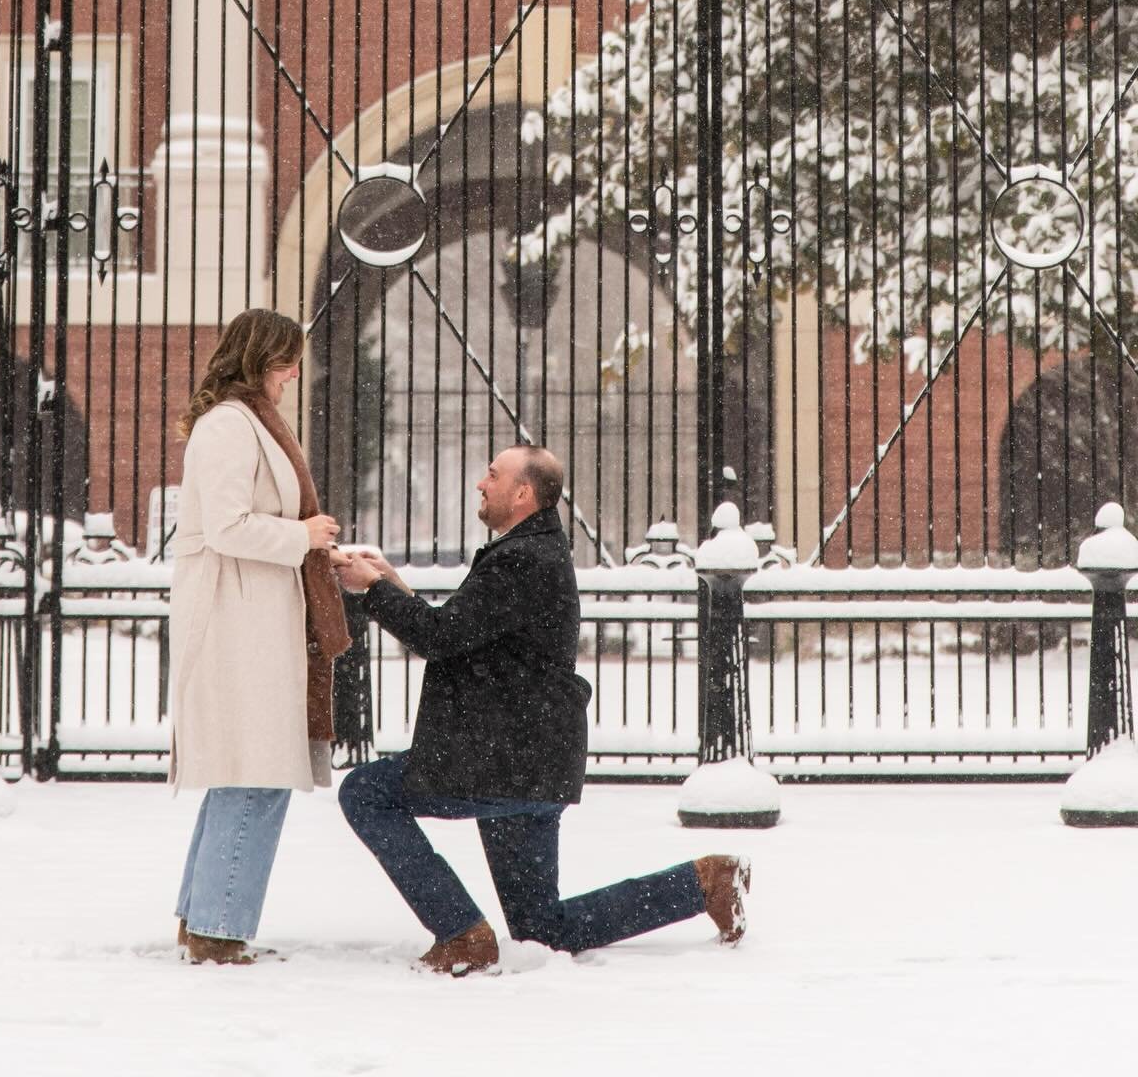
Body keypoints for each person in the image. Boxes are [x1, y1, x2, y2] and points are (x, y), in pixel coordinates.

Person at [335, 444, 751, 976]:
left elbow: (441, 637)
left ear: (523, 493)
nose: (481, 485)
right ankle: (703, 883)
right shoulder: (534, 551)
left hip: (500, 758)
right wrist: (390, 583)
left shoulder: (521, 559)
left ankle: (460, 932)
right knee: (542, 929)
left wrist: (371, 591)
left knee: (365, 794)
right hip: (530, 757)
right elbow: (467, 632)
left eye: (492, 475)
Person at [167, 308, 349, 966]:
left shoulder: (242, 423)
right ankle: (217, 930)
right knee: (255, 774)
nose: (293, 373)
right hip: (237, 624)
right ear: (257, 361)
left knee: (244, 773)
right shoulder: (229, 428)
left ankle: (204, 919)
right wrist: (301, 536)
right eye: (284, 361)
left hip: (254, 618)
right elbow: (226, 526)